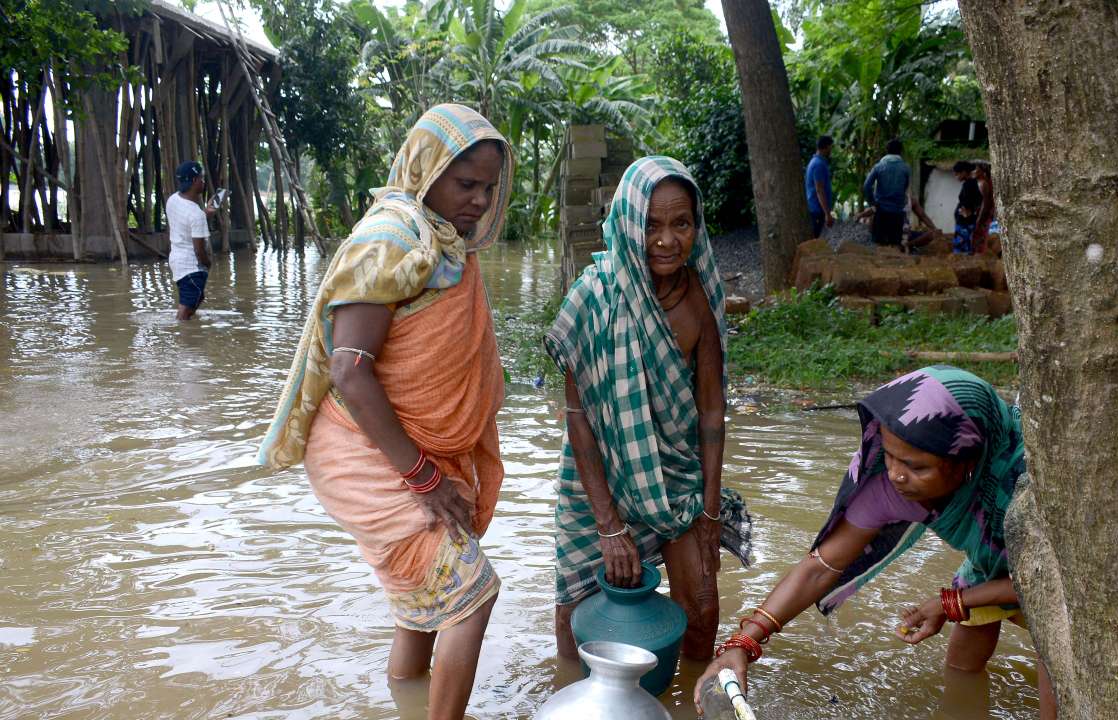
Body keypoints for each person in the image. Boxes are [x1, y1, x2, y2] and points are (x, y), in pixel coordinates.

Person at [258, 104, 514, 720]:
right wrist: (422, 477)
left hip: (399, 446)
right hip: (362, 448)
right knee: (472, 593)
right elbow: (349, 369)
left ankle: (405, 701)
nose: (477, 200)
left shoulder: (444, 244)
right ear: (427, 171)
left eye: (487, 187)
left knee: (423, 598)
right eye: (464, 183)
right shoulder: (391, 239)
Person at [694, 366, 1058, 720]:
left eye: (917, 467)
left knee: (1054, 647)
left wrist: (952, 603)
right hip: (990, 564)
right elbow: (819, 569)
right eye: (890, 454)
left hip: (1057, 582)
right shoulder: (888, 485)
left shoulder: (1036, 486)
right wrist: (744, 643)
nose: (898, 475)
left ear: (969, 461)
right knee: (963, 662)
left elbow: (1056, 584)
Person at [545, 156, 752, 662]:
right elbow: (579, 419)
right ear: (627, 223)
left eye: (680, 224)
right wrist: (609, 527)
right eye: (651, 224)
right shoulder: (594, 297)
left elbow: (710, 412)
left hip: (676, 482)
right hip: (601, 482)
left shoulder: (700, 299)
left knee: (702, 614)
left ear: (696, 228)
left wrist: (707, 511)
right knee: (574, 626)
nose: (666, 239)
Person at [166, 161, 215, 321]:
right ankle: (183, 340)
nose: (203, 182)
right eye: (201, 178)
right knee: (186, 310)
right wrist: (207, 264)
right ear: (194, 181)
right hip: (191, 266)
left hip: (177, 262)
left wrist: (205, 213)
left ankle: (186, 333)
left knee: (197, 298)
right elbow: (199, 250)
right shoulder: (196, 214)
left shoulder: (172, 200)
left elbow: (186, 223)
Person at [862, 138, 912, 247]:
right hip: (897, 212)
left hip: (881, 211)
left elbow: (866, 186)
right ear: (901, 151)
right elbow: (906, 187)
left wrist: (873, 204)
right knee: (895, 246)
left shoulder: (878, 166)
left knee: (879, 246)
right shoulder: (906, 168)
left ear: (887, 151)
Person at [806, 135, 836, 239]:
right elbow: (819, 190)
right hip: (816, 209)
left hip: (816, 208)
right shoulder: (818, 164)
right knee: (814, 239)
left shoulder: (817, 162)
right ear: (826, 147)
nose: (831, 150)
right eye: (831, 147)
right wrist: (827, 213)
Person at [951, 161, 983, 254]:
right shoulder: (973, 183)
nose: (956, 177)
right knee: (967, 246)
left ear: (964, 172)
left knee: (961, 248)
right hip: (967, 221)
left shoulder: (969, 184)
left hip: (965, 223)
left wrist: (964, 213)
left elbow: (968, 203)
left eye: (957, 174)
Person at [972, 162, 995, 254]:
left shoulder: (983, 184)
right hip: (984, 215)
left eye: (975, 169)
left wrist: (979, 219)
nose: (973, 172)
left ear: (982, 172)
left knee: (979, 237)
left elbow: (985, 204)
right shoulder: (983, 183)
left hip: (983, 216)